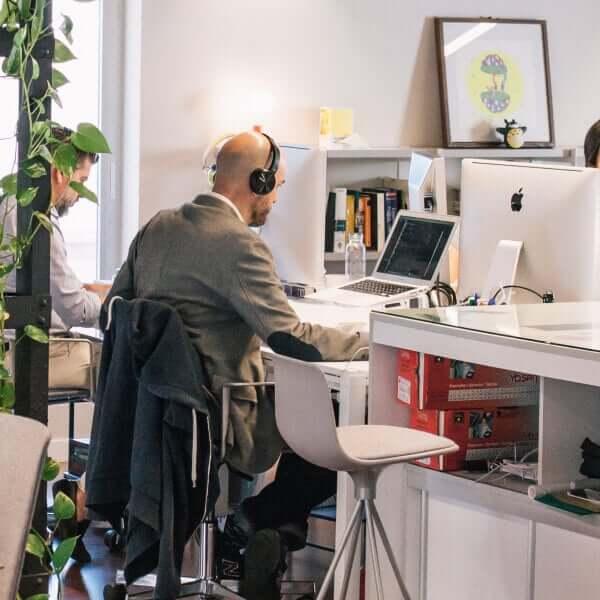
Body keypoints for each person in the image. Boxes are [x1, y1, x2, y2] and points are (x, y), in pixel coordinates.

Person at [106, 130, 367, 600]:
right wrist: (366, 343)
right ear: (258, 180)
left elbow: (116, 309)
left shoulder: (157, 227)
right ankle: (259, 520)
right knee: (343, 423)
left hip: (159, 412)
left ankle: (273, 532)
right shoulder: (240, 246)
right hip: (222, 415)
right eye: (278, 186)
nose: (276, 199)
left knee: (311, 410)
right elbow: (291, 338)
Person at [6, 126, 110, 389]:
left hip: (8, 340)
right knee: (117, 361)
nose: (79, 197)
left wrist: (85, 291)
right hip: (23, 349)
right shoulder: (39, 221)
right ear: (60, 172)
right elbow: (77, 310)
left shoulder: (10, 202)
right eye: (82, 181)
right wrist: (109, 300)